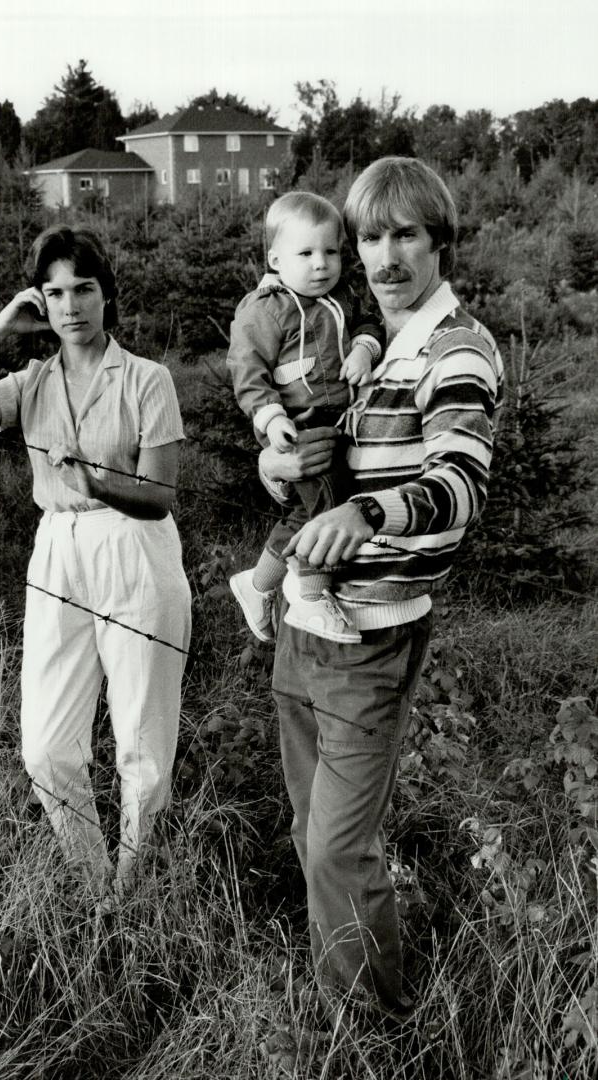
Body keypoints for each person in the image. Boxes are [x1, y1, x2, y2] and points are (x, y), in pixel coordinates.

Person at [259, 158, 504, 1021]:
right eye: (370, 236)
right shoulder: (377, 345)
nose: (385, 255)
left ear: (441, 242)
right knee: (308, 833)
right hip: (303, 624)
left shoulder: (458, 350)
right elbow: (316, 469)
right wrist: (278, 463)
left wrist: (368, 513)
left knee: (335, 848)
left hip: (368, 639)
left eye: (406, 235)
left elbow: (461, 481)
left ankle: (374, 1028)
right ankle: (343, 989)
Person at [0, 225, 192, 902]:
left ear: (107, 295)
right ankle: (92, 879)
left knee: (142, 748)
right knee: (44, 749)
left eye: (84, 289)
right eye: (56, 293)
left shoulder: (147, 379)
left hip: (134, 550)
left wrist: (95, 480)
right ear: (42, 300)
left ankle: (129, 894)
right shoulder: (30, 382)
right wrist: (2, 323)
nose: (70, 306)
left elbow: (159, 497)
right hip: (58, 553)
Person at [226, 192, 384, 644]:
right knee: (328, 507)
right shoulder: (265, 308)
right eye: (306, 253)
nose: (321, 264)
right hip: (297, 425)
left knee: (301, 513)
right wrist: (271, 419)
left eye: (331, 251)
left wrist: (363, 347)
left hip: (339, 419)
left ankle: (258, 584)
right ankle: (312, 595)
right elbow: (247, 369)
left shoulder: (343, 296)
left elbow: (370, 323)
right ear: (275, 259)